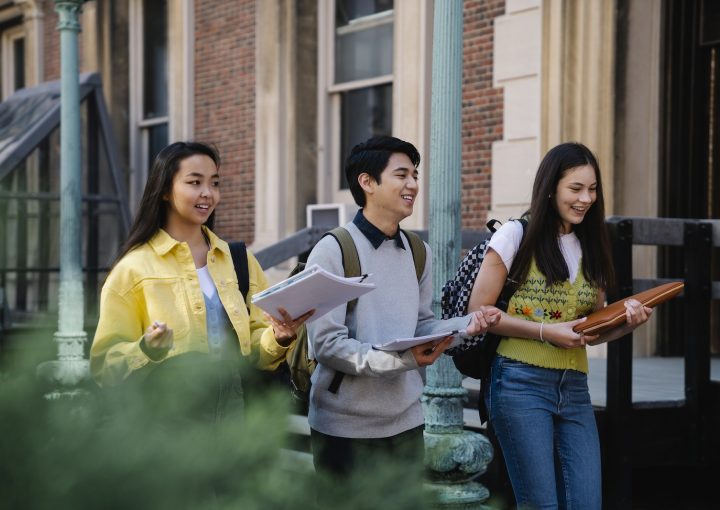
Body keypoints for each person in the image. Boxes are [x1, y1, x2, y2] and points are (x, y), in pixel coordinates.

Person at [468, 142, 652, 509]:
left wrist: (627, 324)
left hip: (574, 387)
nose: (586, 198)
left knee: (586, 502)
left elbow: (590, 329)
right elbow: (480, 311)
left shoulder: (593, 244)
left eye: (593, 189)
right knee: (541, 505)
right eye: (576, 189)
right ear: (551, 188)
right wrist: (545, 332)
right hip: (518, 383)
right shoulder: (515, 236)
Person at [306, 135, 501, 478]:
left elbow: (421, 327)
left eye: (415, 175)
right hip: (344, 428)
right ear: (367, 182)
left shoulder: (417, 250)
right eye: (402, 175)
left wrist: (465, 326)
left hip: (408, 422)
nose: (413, 184)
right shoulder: (332, 250)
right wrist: (401, 360)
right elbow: (327, 345)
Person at [90, 141, 312, 420]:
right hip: (167, 420)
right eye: (194, 182)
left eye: (215, 183)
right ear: (165, 191)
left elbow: (256, 351)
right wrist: (146, 349)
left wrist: (279, 336)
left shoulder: (239, 260)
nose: (208, 193)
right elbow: (105, 366)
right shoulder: (133, 269)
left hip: (237, 415)